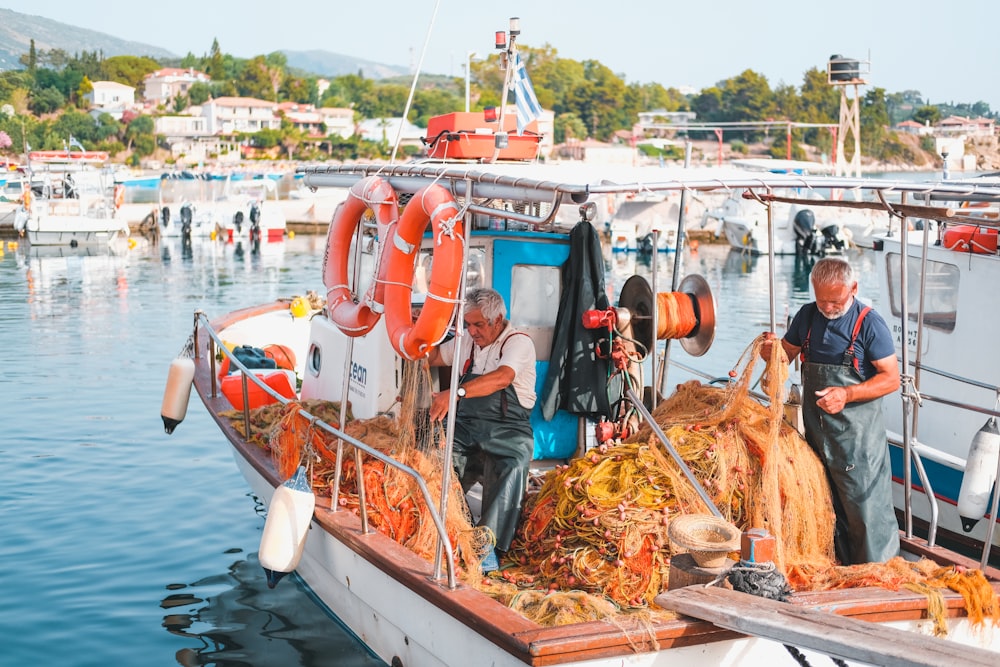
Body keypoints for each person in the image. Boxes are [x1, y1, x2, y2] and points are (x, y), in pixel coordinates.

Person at [763, 257, 900, 565]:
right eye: (821, 299)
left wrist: (846, 393)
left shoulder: (869, 324)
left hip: (858, 444)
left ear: (853, 288)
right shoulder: (808, 316)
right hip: (818, 437)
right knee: (826, 507)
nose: (827, 307)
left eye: (835, 300)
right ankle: (837, 568)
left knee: (864, 513)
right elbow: (785, 354)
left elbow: (891, 378)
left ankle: (876, 576)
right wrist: (770, 353)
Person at [428, 288, 536, 572]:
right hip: (467, 429)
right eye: (468, 324)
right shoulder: (467, 343)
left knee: (512, 468)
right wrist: (421, 331)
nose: (472, 331)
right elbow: (435, 357)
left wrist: (455, 393)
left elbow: (502, 378)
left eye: (479, 324)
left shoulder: (518, 343)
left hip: (509, 432)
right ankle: (458, 528)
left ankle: (487, 548)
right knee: (436, 464)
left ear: (498, 320)